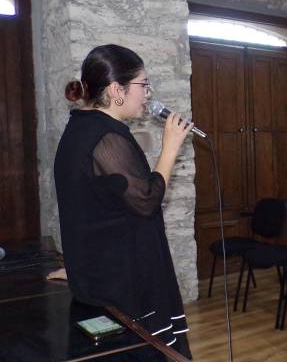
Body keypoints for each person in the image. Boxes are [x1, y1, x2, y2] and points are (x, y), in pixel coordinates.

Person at [54, 44, 193, 358]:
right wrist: (170, 148)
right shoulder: (106, 137)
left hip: (100, 272)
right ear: (117, 90)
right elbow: (146, 199)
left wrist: (77, 265)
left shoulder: (80, 127)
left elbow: (91, 207)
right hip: (122, 280)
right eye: (143, 85)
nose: (147, 94)